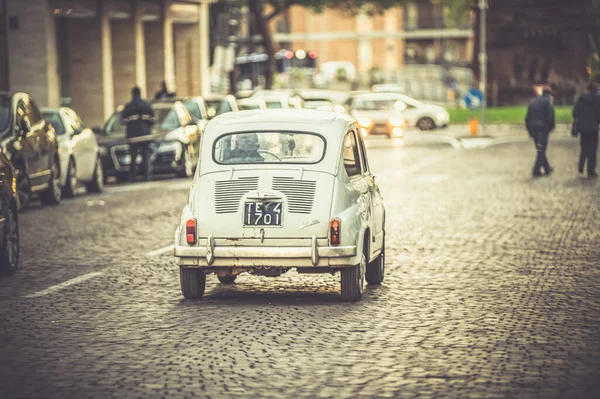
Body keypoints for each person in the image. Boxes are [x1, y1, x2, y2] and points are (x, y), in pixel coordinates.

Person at [121, 86, 155, 182]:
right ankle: (147, 176)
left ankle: (132, 177)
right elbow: (153, 119)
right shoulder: (146, 105)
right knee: (146, 156)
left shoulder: (128, 107)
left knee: (133, 157)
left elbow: (122, 120)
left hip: (133, 136)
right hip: (145, 135)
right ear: (140, 93)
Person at [525, 87, 556, 177]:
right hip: (543, 129)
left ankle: (547, 168)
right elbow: (551, 117)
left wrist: (530, 132)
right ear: (549, 95)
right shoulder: (547, 102)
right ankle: (536, 169)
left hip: (533, 128)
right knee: (541, 150)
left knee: (540, 149)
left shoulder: (533, 101)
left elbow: (527, 118)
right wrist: (550, 128)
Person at [572, 82, 600, 177]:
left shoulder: (581, 98)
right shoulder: (597, 99)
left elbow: (575, 111)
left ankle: (581, 166)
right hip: (593, 127)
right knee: (593, 149)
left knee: (584, 147)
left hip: (583, 127)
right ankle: (590, 170)